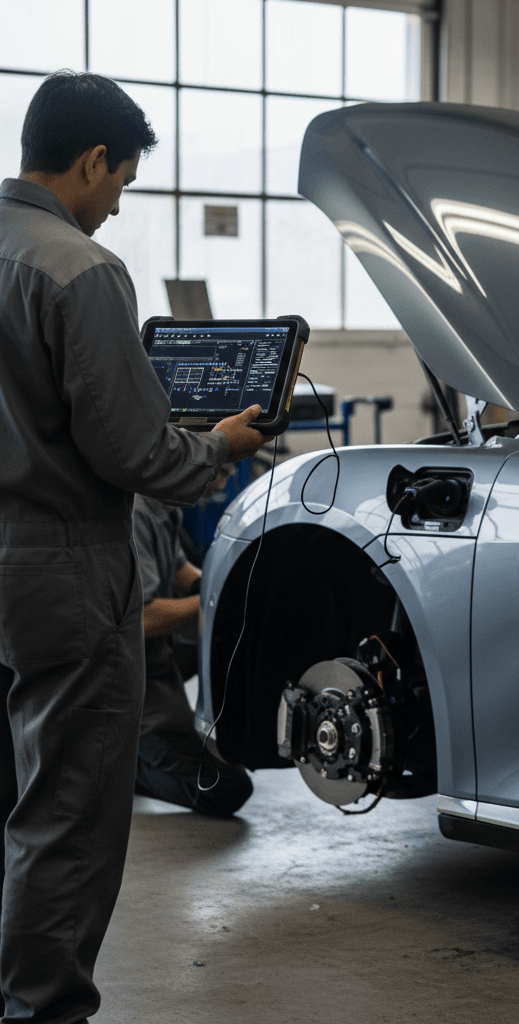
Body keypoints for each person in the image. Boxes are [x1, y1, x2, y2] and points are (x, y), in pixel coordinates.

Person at [0, 72, 270, 1023]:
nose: (118, 202)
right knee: (67, 811)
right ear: (90, 160)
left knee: (13, 799)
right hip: (59, 566)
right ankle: (42, 1011)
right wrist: (218, 449)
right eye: (121, 181)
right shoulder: (77, 267)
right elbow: (131, 449)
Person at [132, 492, 252, 817]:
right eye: (219, 473)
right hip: (127, 679)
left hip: (157, 663)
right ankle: (119, 768)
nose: (217, 485)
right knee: (227, 787)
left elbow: (182, 573)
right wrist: (218, 600)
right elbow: (142, 617)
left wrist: (231, 584)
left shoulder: (162, 508)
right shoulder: (136, 512)